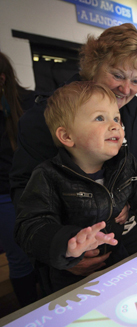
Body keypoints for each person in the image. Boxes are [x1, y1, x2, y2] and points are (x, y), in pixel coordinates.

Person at [10, 23, 137, 278]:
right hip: (74, 248)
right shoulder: (45, 116)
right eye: (117, 75)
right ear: (93, 66)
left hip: (126, 238)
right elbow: (26, 195)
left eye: (136, 80)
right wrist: (64, 251)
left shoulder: (134, 111)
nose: (127, 89)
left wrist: (130, 205)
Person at [14, 81, 137, 293]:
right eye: (100, 118)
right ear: (67, 136)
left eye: (116, 118)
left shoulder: (127, 164)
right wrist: (65, 243)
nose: (115, 125)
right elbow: (30, 225)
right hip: (72, 280)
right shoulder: (47, 176)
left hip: (123, 260)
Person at [0, 52, 38, 307]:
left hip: (36, 191)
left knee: (49, 251)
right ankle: (32, 313)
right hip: (4, 196)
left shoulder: (32, 102)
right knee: (20, 258)